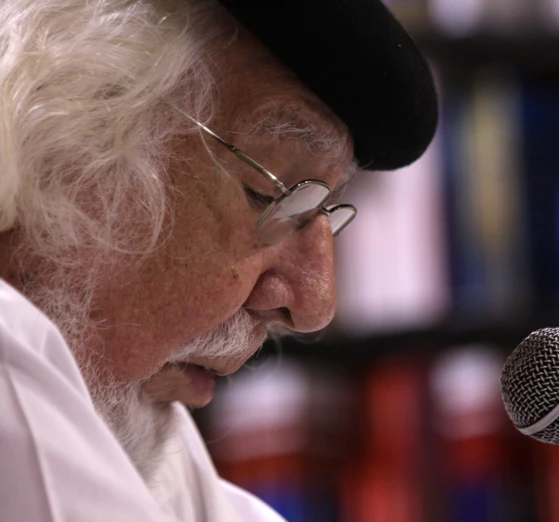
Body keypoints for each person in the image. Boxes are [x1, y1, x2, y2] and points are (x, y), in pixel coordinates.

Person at [0, 0, 437, 520]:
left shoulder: (131, 414)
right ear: (52, 130)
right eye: (267, 193)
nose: (315, 303)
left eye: (322, 210)